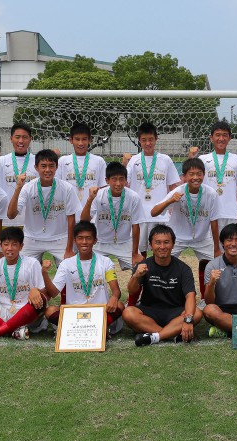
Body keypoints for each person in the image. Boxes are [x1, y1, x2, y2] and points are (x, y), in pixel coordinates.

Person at [125, 122, 180, 305]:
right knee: (139, 256)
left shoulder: (165, 160)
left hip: (160, 216)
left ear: (156, 139)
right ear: (139, 141)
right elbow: (128, 186)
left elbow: (173, 185)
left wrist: (170, 208)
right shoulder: (134, 161)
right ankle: (135, 297)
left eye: (150, 139)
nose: (147, 143)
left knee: (161, 254)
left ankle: (160, 293)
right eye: (144, 140)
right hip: (140, 216)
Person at [122, 225, 203, 346]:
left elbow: (190, 296)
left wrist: (188, 319)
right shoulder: (143, 265)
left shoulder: (183, 268)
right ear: (151, 245)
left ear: (173, 244)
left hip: (175, 312)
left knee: (196, 313)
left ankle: (156, 336)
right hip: (150, 311)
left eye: (166, 242)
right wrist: (136, 276)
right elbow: (131, 290)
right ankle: (171, 333)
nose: (162, 247)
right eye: (158, 243)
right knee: (128, 313)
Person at [151, 158, 221, 297]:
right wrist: (170, 200)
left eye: (199, 173)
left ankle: (206, 297)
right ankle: (154, 294)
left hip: (202, 238)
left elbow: (214, 221)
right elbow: (154, 212)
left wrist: (217, 249)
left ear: (204, 175)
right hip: (177, 237)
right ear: (184, 176)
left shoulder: (211, 194)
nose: (195, 177)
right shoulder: (178, 191)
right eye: (191, 174)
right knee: (159, 262)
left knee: (214, 266)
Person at [41, 221, 125, 333]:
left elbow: (116, 291)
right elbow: (53, 293)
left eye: (88, 238)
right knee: (50, 310)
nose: (84, 242)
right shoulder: (66, 264)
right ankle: (99, 329)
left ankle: (83, 328)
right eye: (80, 238)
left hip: (100, 311)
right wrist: (44, 273)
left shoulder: (105, 262)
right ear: (75, 241)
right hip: (75, 312)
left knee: (119, 305)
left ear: (95, 240)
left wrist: (114, 297)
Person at [7, 149, 80, 265]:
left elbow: (71, 220)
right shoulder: (28, 188)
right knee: (22, 269)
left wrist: (69, 249)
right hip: (32, 238)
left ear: (57, 167)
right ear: (36, 167)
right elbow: (11, 215)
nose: (47, 170)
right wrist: (17, 188)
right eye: (43, 166)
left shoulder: (66, 188)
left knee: (71, 269)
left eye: (51, 166)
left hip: (59, 238)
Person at [189, 121, 237, 234]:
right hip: (208, 212)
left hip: (231, 212)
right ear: (211, 138)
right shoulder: (203, 159)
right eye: (218, 135)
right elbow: (190, 181)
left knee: (230, 246)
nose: (221, 138)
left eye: (224, 135)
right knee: (210, 247)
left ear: (229, 138)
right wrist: (191, 157)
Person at [80, 161, 144, 270]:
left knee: (141, 268)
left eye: (121, 179)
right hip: (100, 242)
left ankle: (134, 286)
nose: (118, 183)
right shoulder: (98, 195)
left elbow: (135, 226)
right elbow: (84, 221)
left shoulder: (134, 197)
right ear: (107, 180)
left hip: (124, 242)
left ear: (126, 180)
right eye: (114, 179)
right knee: (86, 268)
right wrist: (90, 199)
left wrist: (134, 253)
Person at [55, 121, 107, 218]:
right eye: (77, 139)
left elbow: (103, 188)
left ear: (90, 140)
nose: (80, 143)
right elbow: (57, 187)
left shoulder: (99, 161)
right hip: (68, 213)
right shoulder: (63, 161)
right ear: (71, 140)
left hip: (92, 213)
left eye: (84, 139)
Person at [0, 121, 38, 228]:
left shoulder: (38, 162)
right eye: (17, 137)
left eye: (25, 137)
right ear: (11, 139)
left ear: (30, 139)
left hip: (32, 220)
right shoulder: (1, 161)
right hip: (6, 220)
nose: (21, 141)